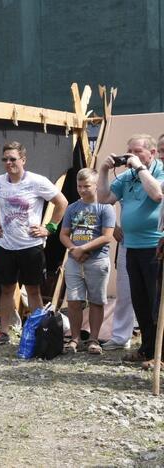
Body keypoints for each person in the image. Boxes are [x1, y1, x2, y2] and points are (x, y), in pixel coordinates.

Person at [0, 141, 68, 346]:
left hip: (30, 245)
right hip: (5, 244)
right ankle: (3, 331)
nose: (9, 163)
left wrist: (50, 228)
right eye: (5, 159)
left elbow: (61, 202)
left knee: (34, 290)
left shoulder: (37, 181)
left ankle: (37, 331)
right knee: (6, 289)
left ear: (23, 160)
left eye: (13, 159)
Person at [98, 134, 164, 367]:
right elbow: (104, 198)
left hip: (155, 248)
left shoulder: (159, 172)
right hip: (131, 247)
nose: (131, 157)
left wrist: (140, 169)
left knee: (157, 304)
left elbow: (157, 195)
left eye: (137, 152)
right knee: (140, 302)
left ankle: (160, 355)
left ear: (152, 153)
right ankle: (147, 349)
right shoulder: (127, 176)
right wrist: (104, 171)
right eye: (129, 152)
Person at [59, 168, 115, 354]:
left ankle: (93, 339)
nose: (82, 190)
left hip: (97, 260)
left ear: (96, 185)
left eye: (86, 186)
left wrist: (84, 248)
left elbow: (107, 236)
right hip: (75, 260)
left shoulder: (105, 207)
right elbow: (64, 234)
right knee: (74, 300)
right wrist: (74, 249)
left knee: (96, 300)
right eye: (79, 186)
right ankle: (74, 338)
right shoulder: (73, 208)